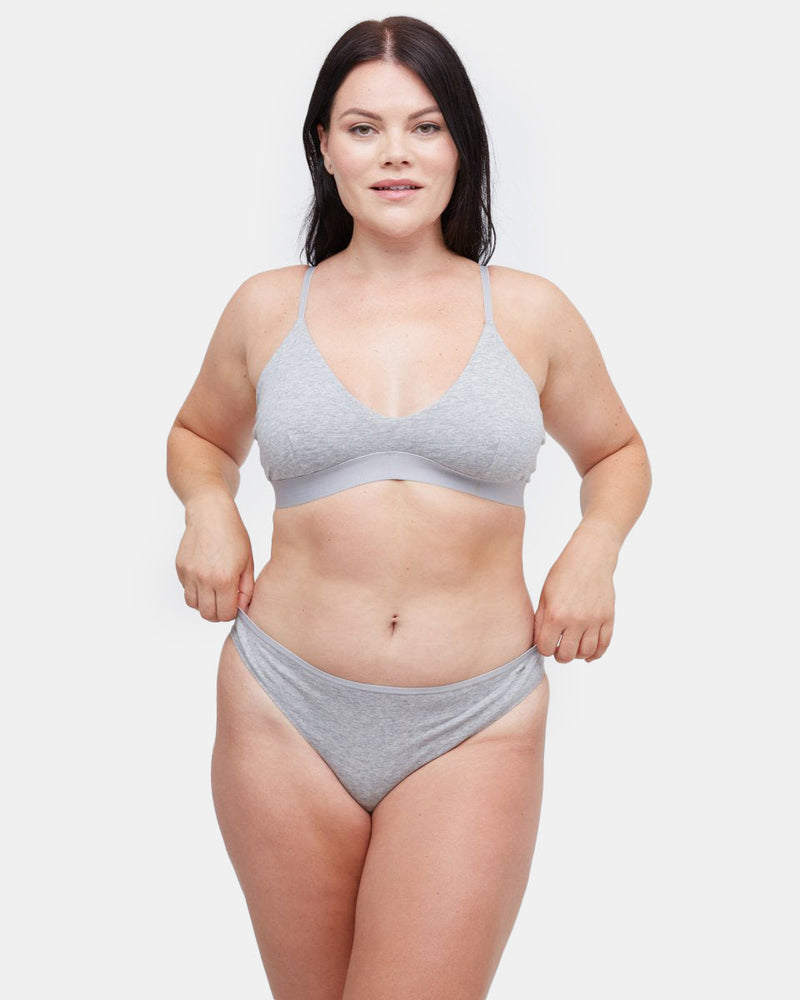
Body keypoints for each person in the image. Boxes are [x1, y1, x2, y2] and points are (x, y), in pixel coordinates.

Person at [166, 15, 651, 1000]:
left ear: (460, 145)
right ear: (324, 148)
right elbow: (200, 437)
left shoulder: (529, 311)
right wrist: (207, 506)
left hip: (474, 719)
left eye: (425, 127)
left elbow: (616, 454)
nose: (395, 153)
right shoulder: (266, 307)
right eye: (364, 128)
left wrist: (594, 546)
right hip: (281, 709)